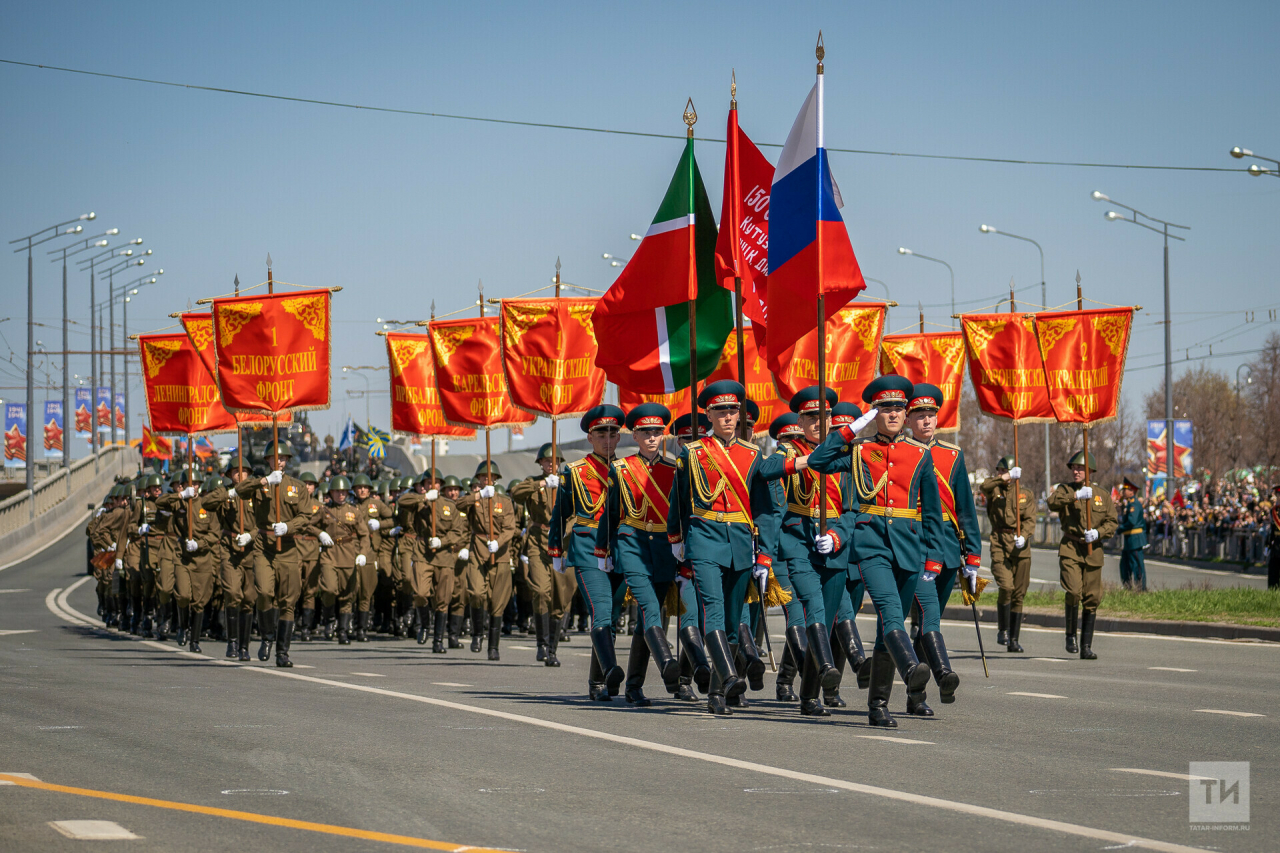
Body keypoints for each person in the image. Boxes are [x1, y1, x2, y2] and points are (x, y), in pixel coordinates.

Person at [806, 376, 944, 728]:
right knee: (889, 609)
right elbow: (819, 461)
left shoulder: (920, 454)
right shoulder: (858, 451)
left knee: (887, 625)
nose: (894, 413)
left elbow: (932, 510)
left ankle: (878, 705)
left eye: (899, 408)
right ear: (875, 413)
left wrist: (934, 555)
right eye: (885, 408)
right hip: (871, 545)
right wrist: (851, 430)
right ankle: (912, 667)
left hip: (910, 546)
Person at [666, 381, 774, 716]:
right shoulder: (693, 452)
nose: (727, 417)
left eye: (732, 410)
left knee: (731, 622)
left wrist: (764, 554)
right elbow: (679, 499)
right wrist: (677, 538)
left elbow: (763, 508)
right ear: (708, 415)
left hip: (740, 543)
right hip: (705, 539)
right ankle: (728, 675)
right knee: (712, 610)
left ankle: (717, 692)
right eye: (720, 411)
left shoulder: (753, 455)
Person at [758, 386, 849, 717]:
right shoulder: (788, 450)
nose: (817, 423)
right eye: (811, 417)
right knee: (807, 610)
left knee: (827, 616)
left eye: (824, 417)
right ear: (801, 420)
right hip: (794, 543)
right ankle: (824, 670)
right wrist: (808, 460)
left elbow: (854, 503)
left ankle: (808, 693)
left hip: (833, 545)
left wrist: (839, 536)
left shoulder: (845, 452)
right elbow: (766, 472)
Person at [901, 383, 980, 714]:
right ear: (908, 419)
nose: (927, 422)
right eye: (920, 416)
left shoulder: (952, 455)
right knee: (928, 615)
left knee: (923, 624)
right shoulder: (900, 452)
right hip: (913, 545)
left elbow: (965, 507)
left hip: (947, 548)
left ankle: (914, 695)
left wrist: (973, 556)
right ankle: (943, 674)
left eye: (931, 415)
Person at [597, 403, 681, 705]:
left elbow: (681, 514)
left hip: (662, 549)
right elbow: (610, 513)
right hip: (631, 543)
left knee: (649, 616)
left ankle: (633, 686)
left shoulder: (674, 469)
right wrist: (602, 549)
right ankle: (667, 663)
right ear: (635, 435)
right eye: (645, 432)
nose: (651, 437)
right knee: (647, 606)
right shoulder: (620, 469)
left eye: (657, 432)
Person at [551, 405, 627, 699]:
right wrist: (556, 548)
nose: (607, 439)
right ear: (590, 437)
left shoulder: (628, 469)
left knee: (612, 614)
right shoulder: (575, 471)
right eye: (601, 433)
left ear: (619, 437)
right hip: (587, 547)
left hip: (621, 549)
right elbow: (560, 512)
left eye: (612, 433)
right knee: (601, 610)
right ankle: (611, 670)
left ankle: (598, 681)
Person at [234, 441, 313, 663]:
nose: (278, 461)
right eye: (274, 458)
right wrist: (264, 481)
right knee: (265, 592)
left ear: (287, 460)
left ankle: (282, 652)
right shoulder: (260, 483)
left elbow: (306, 517)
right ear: (267, 460)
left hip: (287, 547)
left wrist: (289, 526)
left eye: (282, 457)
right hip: (264, 546)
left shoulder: (297, 486)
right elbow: (240, 490)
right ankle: (267, 636)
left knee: (288, 601)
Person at [1048, 451, 1117, 660]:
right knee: (1074, 591)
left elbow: (1112, 522)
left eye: (1080, 468)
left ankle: (1086, 646)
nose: (1076, 471)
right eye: (1074, 468)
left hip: (1093, 549)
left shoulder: (1102, 495)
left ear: (1090, 471)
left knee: (1092, 598)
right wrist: (1076, 496)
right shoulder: (1065, 490)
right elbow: (1052, 503)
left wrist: (1098, 533)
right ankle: (1071, 636)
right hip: (1071, 547)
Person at [158, 472, 229, 655]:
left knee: (199, 601)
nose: (194, 487)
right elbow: (160, 503)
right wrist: (181, 495)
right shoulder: (179, 502)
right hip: (182, 556)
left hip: (202, 557)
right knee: (182, 595)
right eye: (190, 484)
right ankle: (182, 626)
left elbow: (214, 534)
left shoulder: (207, 505)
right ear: (182, 486)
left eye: (196, 484)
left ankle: (194, 640)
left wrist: (199, 543)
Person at [511, 443, 568, 666]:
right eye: (546, 461)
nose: (550, 464)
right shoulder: (533, 482)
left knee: (559, 598)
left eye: (554, 461)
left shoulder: (568, 482)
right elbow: (516, 493)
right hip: (537, 540)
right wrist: (543, 484)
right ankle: (542, 644)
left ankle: (553, 649)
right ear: (540, 464)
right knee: (541, 591)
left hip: (562, 542)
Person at [398, 470, 466, 652]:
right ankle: (425, 625)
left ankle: (438, 641)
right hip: (422, 553)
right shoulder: (419, 503)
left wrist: (443, 541)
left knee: (443, 599)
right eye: (428, 483)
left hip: (444, 555)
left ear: (440, 485)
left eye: (435, 483)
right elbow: (402, 501)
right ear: (424, 485)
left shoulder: (449, 506)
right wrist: (424, 498)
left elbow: (457, 531)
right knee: (420, 592)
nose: (432, 486)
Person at [457, 460, 518, 660]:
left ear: (497, 479)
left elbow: (510, 528)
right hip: (478, 549)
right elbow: (458, 504)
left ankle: (493, 646)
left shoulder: (505, 502)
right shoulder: (475, 499)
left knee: (498, 601)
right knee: (475, 593)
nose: (487, 480)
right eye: (483, 477)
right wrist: (478, 495)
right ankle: (476, 634)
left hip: (499, 553)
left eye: (491, 477)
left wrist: (499, 542)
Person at [981, 455, 1037, 653]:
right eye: (999, 470)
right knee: (1006, 586)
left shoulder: (1025, 494)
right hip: (999, 542)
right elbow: (983, 487)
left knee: (1019, 594)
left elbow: (1030, 519)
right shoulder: (994, 489)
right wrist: (1003, 479)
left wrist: (1026, 535)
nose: (1000, 473)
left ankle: (1014, 639)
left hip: (1019, 544)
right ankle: (1002, 630)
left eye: (1003, 470)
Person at [316, 475, 371, 650]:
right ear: (330, 492)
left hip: (347, 555)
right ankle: (329, 617)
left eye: (343, 491)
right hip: (329, 554)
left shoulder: (354, 512)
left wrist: (363, 553)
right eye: (336, 491)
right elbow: (309, 525)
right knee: (330, 588)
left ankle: (342, 631)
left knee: (347, 595)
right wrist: (320, 534)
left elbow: (364, 535)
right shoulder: (323, 511)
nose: (340, 494)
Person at [218, 459, 259, 660]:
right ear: (229, 474)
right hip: (230, 548)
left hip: (251, 549)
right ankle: (232, 642)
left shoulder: (256, 494)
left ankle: (244, 646)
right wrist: (229, 494)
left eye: (244, 472)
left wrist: (251, 534)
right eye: (235, 471)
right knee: (233, 592)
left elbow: (264, 521)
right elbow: (207, 503)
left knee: (249, 598)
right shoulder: (225, 493)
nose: (239, 475)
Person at [350, 473, 393, 642]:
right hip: (351, 550)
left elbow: (391, 520)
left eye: (365, 488)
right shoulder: (349, 506)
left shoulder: (377, 505)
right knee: (352, 589)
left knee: (366, 590)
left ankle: (362, 628)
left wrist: (379, 524)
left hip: (370, 551)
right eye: (359, 488)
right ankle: (349, 624)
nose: (362, 490)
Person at [124, 474, 168, 638]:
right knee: (148, 581)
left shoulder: (165, 503)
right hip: (147, 544)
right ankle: (147, 619)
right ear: (148, 489)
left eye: (159, 487)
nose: (157, 490)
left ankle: (163, 619)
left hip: (164, 544)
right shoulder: (142, 505)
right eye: (154, 487)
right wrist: (140, 530)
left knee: (163, 582)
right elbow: (131, 526)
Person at [293, 472, 327, 642]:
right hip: (297, 547)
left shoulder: (319, 506)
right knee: (293, 588)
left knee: (310, 590)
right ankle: (290, 624)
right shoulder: (294, 504)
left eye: (311, 484)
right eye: (304, 484)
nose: (307, 487)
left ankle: (306, 627)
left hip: (312, 549)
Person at [1118, 476, 1148, 591]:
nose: (1123, 491)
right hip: (1129, 539)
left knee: (1137, 565)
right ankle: (1127, 586)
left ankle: (1141, 588)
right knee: (1125, 565)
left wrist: (1120, 528)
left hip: (1135, 539)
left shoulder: (1134, 504)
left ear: (1131, 491)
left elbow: (1132, 521)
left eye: (1125, 489)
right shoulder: (1129, 504)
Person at [1269, 485, 1280, 589]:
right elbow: (1273, 529)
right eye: (1278, 495)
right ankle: (1273, 589)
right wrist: (1268, 544)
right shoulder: (1274, 511)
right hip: (1276, 543)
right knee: (1273, 569)